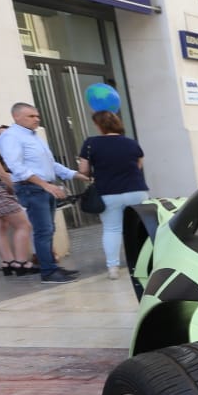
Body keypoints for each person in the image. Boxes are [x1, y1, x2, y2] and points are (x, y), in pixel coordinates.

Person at [0, 102, 89, 284]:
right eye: (31, 116)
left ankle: (52, 267)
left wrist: (76, 175)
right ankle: (48, 272)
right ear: (17, 117)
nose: (36, 119)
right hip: (31, 188)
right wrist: (44, 185)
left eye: (37, 116)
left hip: (44, 187)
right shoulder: (11, 137)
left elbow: (51, 164)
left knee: (49, 230)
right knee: (43, 230)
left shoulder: (34, 136)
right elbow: (16, 167)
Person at [77, 111, 149, 279]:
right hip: (136, 190)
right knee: (139, 229)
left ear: (99, 126)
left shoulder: (91, 144)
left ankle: (113, 268)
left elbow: (84, 170)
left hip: (108, 192)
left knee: (112, 229)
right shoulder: (131, 143)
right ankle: (144, 264)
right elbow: (138, 165)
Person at [0, 123, 30, 281]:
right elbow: (2, 174)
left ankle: (7, 262)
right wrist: (12, 188)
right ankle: (21, 263)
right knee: (23, 225)